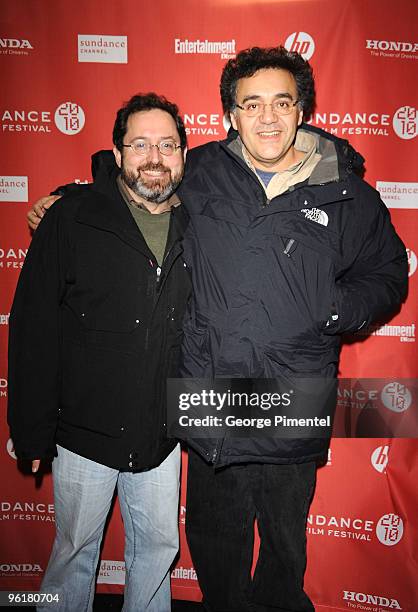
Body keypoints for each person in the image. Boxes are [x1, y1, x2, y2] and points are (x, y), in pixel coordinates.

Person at [25, 47, 408, 612]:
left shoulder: (346, 192)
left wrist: (336, 308)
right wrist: (71, 198)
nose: (268, 117)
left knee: (283, 552)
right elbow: (140, 183)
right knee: (214, 548)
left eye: (282, 102)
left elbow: (388, 272)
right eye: (251, 104)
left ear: (301, 109)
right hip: (212, 399)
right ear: (231, 114)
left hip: (293, 396)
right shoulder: (202, 171)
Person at [8, 93, 191, 612]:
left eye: (167, 144)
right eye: (139, 144)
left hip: (162, 435)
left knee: (159, 551)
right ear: (117, 153)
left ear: (183, 154)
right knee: (72, 553)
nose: (154, 156)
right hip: (84, 434)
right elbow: (34, 328)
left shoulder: (200, 222)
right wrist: (32, 427)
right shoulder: (71, 218)